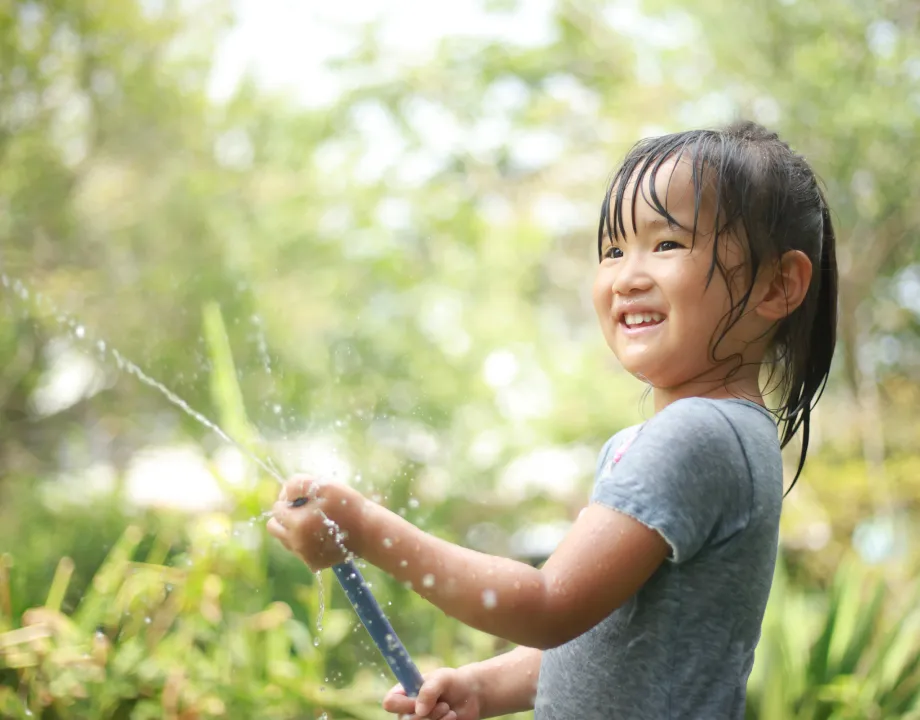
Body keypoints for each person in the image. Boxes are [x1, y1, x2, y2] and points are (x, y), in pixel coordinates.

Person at [267, 120, 838, 719]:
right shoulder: (697, 437)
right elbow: (600, 632)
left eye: (667, 244)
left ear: (778, 286)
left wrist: (365, 530)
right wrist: (484, 687)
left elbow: (548, 605)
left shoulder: (700, 435)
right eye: (613, 251)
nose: (627, 276)